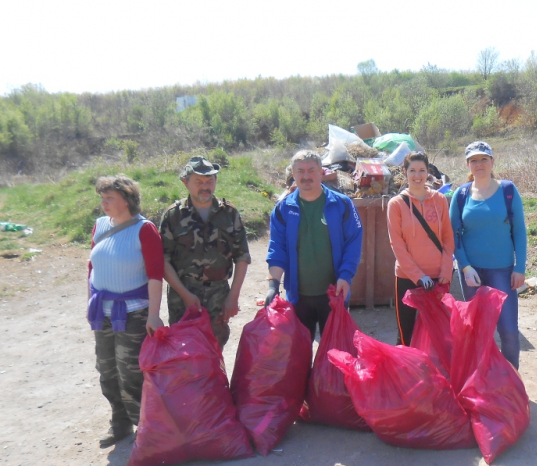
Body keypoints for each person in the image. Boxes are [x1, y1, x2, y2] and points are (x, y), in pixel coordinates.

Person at [87, 175, 164, 448]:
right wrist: (90, 304)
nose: (104, 203)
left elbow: (156, 275)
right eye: (102, 197)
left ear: (127, 200)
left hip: (134, 313)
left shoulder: (145, 230)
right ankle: (119, 423)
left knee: (131, 372)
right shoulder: (99, 226)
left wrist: (154, 315)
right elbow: (92, 267)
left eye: (110, 198)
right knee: (106, 370)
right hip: (103, 312)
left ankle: (146, 429)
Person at [265, 149, 363, 340]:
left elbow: (353, 242)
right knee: (299, 356)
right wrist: (273, 285)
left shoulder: (341, 205)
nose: (306, 175)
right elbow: (277, 248)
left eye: (311, 170)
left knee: (334, 354)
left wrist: (345, 276)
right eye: (300, 171)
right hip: (298, 297)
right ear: (293, 175)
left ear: (321, 172)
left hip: (334, 295)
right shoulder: (283, 210)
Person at [449, 141, 527, 369]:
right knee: (476, 332)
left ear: (493, 162)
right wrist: (464, 267)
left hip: (502, 270)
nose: (479, 164)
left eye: (484, 159)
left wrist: (519, 267)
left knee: (509, 331)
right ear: (468, 165)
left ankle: (510, 383)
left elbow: (520, 231)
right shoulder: (461, 195)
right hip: (472, 273)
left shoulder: (508, 191)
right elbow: (454, 235)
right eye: (474, 160)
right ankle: (480, 384)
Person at [160, 156, 251, 349]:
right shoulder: (173, 216)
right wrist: (185, 295)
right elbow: (163, 261)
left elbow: (242, 257)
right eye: (198, 182)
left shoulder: (229, 213)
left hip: (218, 294)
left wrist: (233, 297)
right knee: (183, 352)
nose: (205, 186)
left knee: (214, 350)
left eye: (210, 181)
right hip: (182, 296)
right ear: (186, 183)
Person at [387, 151, 455, 345]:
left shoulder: (440, 200)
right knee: (405, 334)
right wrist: (419, 276)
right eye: (412, 171)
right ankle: (406, 374)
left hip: (437, 278)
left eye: (422, 171)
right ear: (405, 172)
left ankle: (434, 375)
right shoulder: (397, 204)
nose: (417, 176)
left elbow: (448, 239)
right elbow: (397, 245)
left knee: (439, 335)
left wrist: (446, 270)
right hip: (407, 278)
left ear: (428, 173)